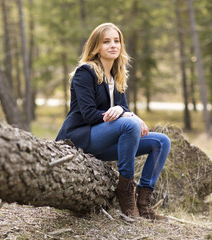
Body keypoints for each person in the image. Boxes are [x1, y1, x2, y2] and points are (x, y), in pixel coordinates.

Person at [56, 23, 171, 220]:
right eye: (106, 41)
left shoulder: (115, 75)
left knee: (161, 142)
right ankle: (124, 191)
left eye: (116, 41)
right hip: (80, 138)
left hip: (104, 141)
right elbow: (89, 115)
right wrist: (124, 114)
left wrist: (127, 113)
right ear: (96, 47)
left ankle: (143, 203)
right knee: (130, 124)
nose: (113, 45)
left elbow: (123, 109)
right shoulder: (86, 72)